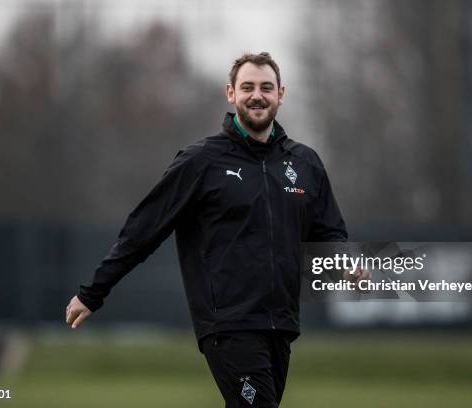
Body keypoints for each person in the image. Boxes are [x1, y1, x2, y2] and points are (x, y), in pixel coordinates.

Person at [66, 52, 369, 407]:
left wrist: (345, 264)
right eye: (248, 87)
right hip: (228, 325)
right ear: (231, 93)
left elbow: (329, 234)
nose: (258, 95)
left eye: (266, 87)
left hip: (281, 324)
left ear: (281, 94)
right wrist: (94, 291)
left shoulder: (305, 163)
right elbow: (143, 229)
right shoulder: (202, 161)